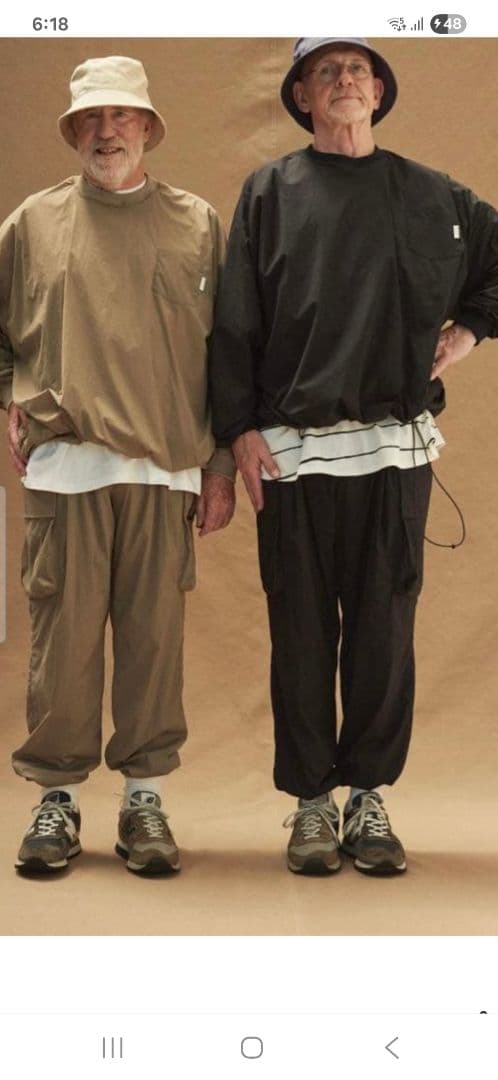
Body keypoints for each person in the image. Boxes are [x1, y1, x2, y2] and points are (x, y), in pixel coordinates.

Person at [210, 37, 498, 875]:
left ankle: (369, 798)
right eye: (326, 71)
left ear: (379, 92)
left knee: (383, 630)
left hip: (394, 454)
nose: (345, 82)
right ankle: (311, 803)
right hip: (291, 454)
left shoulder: (434, 195)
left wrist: (471, 330)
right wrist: (238, 430)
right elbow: (234, 320)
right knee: (301, 632)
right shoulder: (269, 193)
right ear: (302, 95)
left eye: (358, 71)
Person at [0, 55, 235, 875]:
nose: (107, 131)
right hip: (63, 469)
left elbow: (230, 352)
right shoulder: (32, 223)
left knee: (152, 647)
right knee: (62, 648)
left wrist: (217, 463)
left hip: (164, 472)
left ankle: (144, 802)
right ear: (74, 131)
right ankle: (57, 803)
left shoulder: (198, 223)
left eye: (122, 116)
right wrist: (7, 394)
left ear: (148, 128)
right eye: (92, 119)